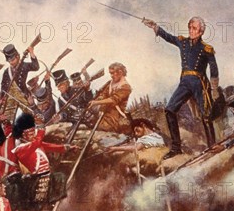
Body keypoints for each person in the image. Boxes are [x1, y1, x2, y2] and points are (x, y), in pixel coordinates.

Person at [143, 16, 220, 157]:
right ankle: (176, 148)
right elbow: (168, 37)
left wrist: (214, 89)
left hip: (199, 83)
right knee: (169, 110)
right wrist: (155, 26)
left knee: (206, 115)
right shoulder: (182, 42)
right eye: (190, 27)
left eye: (195, 28)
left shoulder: (207, 49)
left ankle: (212, 146)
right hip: (185, 82)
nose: (191, 30)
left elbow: (214, 69)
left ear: (201, 31)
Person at [11, 113, 77, 211]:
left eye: (33, 132)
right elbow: (37, 142)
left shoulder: (36, 144)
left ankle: (45, 208)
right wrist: (41, 127)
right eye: (30, 133)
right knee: (36, 207)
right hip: (36, 178)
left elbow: (53, 147)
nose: (33, 135)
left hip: (46, 175)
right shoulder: (21, 149)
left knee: (60, 177)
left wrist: (68, 148)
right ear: (24, 135)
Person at [87, 62, 132, 135]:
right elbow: (103, 94)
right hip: (104, 112)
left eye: (112, 73)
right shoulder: (110, 83)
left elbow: (113, 99)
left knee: (102, 128)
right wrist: (97, 100)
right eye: (110, 73)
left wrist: (96, 102)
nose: (111, 76)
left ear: (120, 72)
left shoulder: (125, 87)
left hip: (114, 116)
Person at [0, 44, 40, 121]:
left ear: (17, 57)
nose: (11, 62)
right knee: (7, 116)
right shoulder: (6, 72)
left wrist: (31, 52)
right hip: (11, 96)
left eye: (13, 60)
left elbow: (36, 67)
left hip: (23, 93)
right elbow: (3, 85)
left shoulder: (24, 65)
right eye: (9, 61)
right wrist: (2, 97)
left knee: (31, 114)